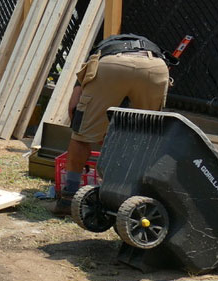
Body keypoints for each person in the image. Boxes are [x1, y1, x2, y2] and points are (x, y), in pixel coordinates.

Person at [54, 33, 171, 216]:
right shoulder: (149, 46)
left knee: (82, 135)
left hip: (112, 65)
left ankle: (69, 197)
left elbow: (73, 106)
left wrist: (81, 124)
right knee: (148, 135)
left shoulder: (99, 52)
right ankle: (136, 195)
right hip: (155, 66)